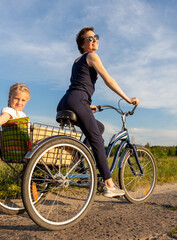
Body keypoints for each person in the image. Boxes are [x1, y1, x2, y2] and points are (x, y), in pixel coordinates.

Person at [57, 27, 140, 198]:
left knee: (99, 127)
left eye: (96, 37)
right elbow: (109, 80)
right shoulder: (92, 56)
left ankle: (79, 160)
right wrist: (127, 99)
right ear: (82, 44)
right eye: (89, 38)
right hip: (78, 100)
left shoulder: (76, 61)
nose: (94, 40)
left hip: (67, 100)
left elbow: (80, 83)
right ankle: (109, 184)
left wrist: (88, 104)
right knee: (97, 138)